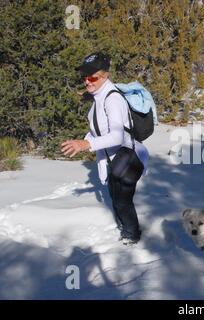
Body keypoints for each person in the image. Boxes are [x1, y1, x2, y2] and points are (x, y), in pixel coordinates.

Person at [61, 52, 149, 245]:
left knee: (122, 202)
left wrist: (86, 144)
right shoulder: (98, 99)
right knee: (116, 199)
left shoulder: (112, 100)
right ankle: (127, 230)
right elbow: (97, 131)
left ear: (105, 75)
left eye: (92, 77)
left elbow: (116, 136)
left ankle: (132, 236)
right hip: (113, 160)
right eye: (84, 77)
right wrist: (82, 142)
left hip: (128, 158)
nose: (87, 81)